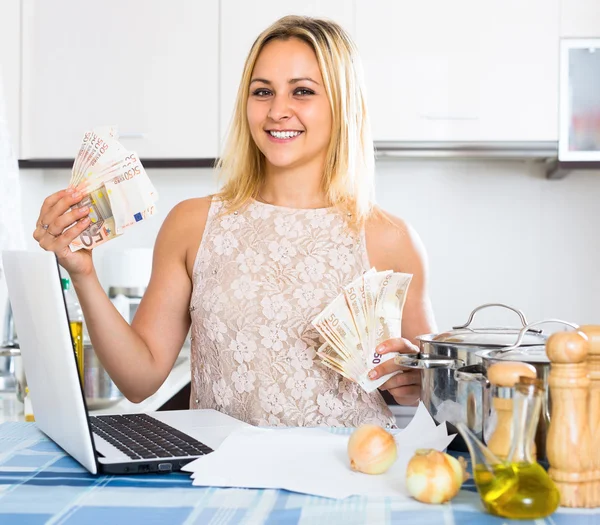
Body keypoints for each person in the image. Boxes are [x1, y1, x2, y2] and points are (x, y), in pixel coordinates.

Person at [32, 15, 436, 428]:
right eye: (263, 92)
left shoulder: (391, 238)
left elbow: (434, 397)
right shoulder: (192, 224)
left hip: (349, 475)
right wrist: (83, 273)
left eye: (302, 91)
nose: (278, 110)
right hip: (221, 479)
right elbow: (139, 380)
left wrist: (417, 383)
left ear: (343, 104)